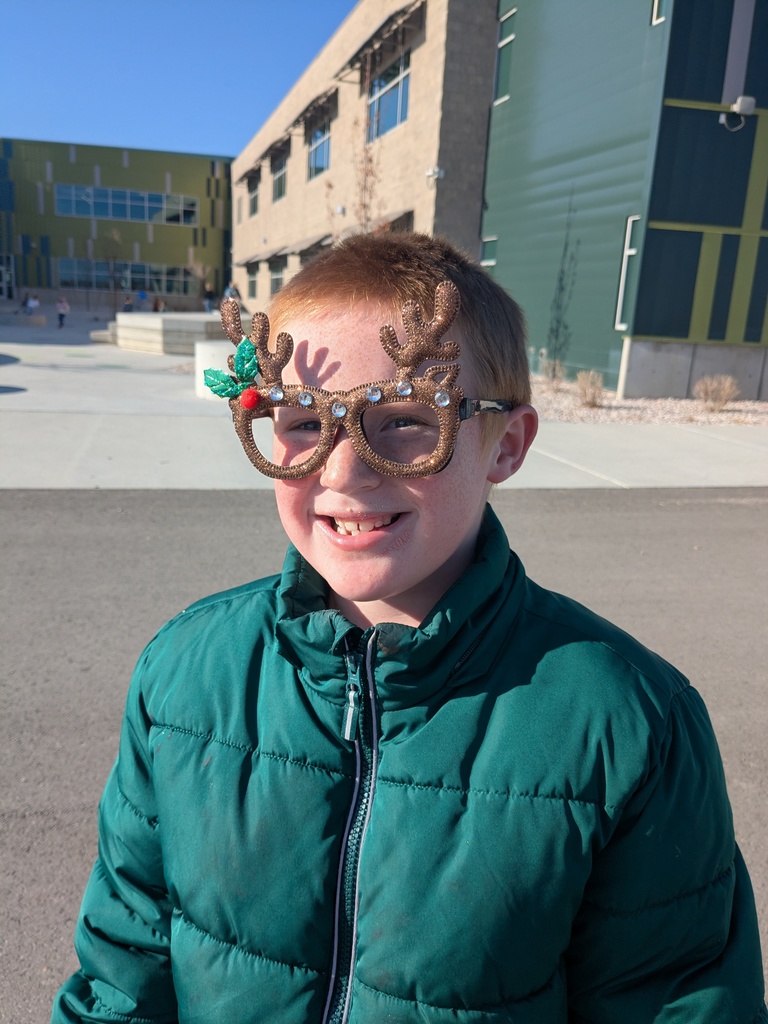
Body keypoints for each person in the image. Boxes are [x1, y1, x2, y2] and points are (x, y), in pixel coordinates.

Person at [52, 233, 766, 1023]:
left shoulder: (630, 724)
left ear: (507, 445)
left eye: (402, 421)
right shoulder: (186, 671)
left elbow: (679, 998)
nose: (341, 471)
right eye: (301, 421)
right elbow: (124, 971)